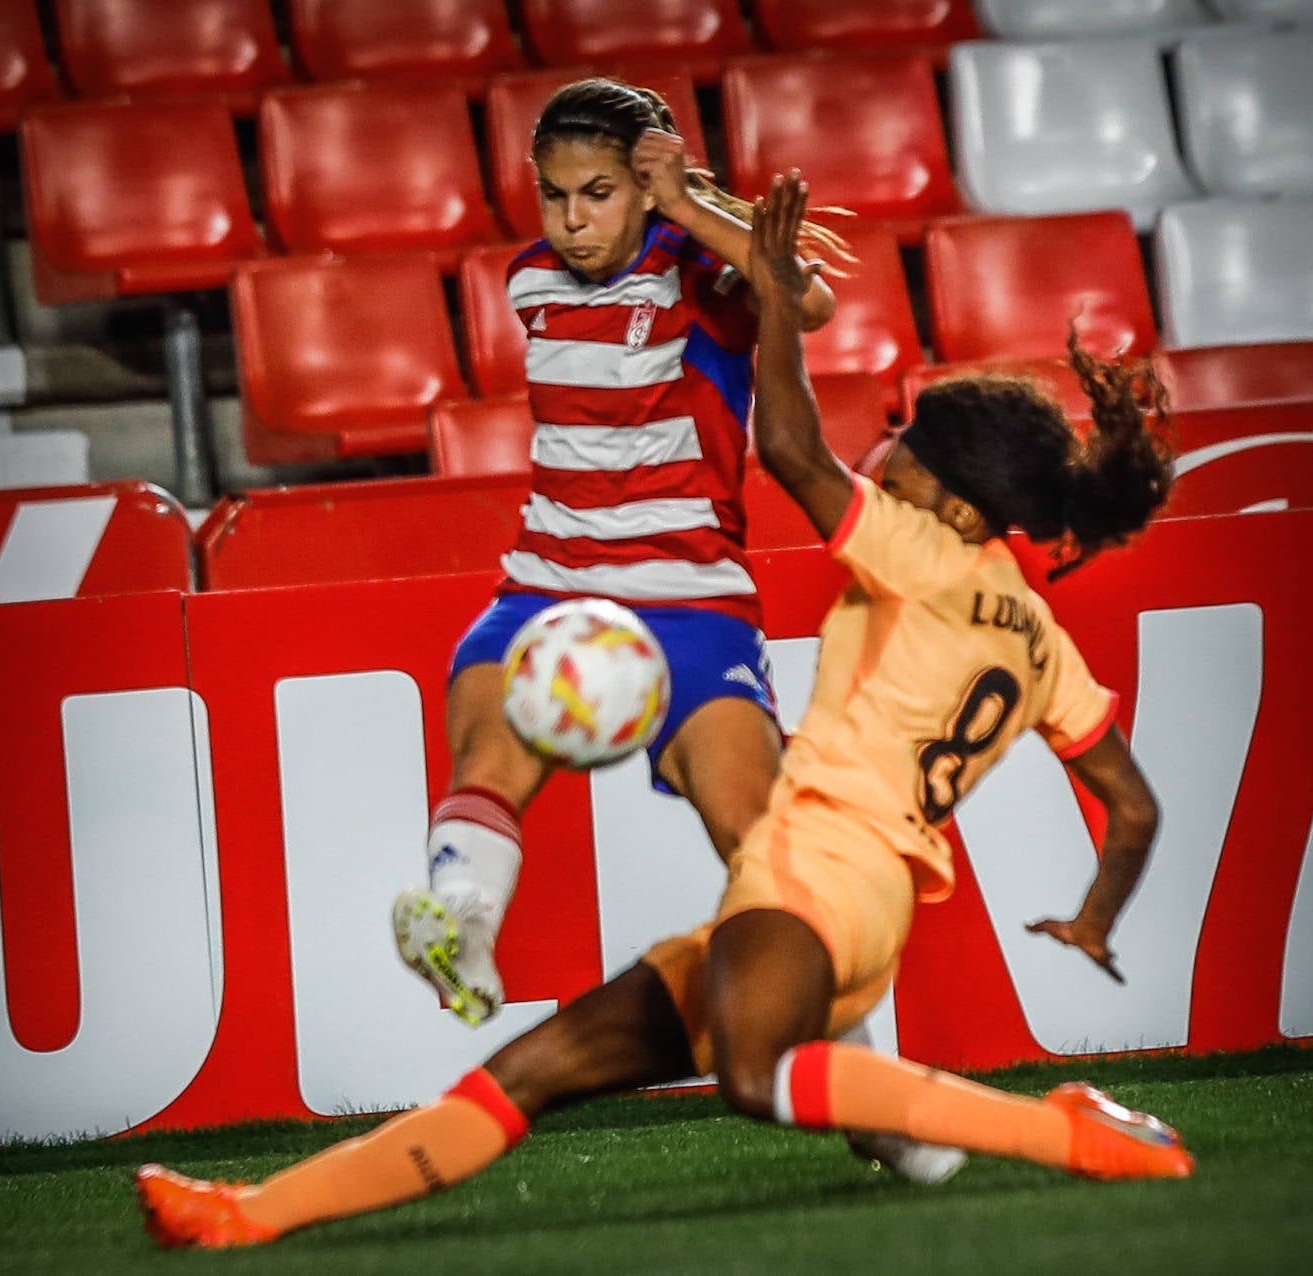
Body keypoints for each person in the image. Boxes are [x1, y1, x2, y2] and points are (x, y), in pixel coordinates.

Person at [135, 173, 1192, 1250]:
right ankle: (246, 1215)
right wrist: (1096, 917)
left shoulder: (927, 555)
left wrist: (777, 300)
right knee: (530, 1069)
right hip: (834, 890)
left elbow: (785, 448)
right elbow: (1136, 806)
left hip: (820, 876)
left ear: (964, 509)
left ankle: (1056, 1129)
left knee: (752, 1072)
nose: (890, 461)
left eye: (908, 457)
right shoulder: (1042, 641)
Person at [392, 78, 850, 1029]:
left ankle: (855, 1056)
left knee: (756, 838)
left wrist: (686, 206)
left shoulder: (701, 272)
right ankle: (462, 925)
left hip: (688, 598)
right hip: (546, 586)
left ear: (643, 187)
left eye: (597, 193)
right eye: (554, 195)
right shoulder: (529, 285)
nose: (571, 220)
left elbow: (804, 303)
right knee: (484, 754)